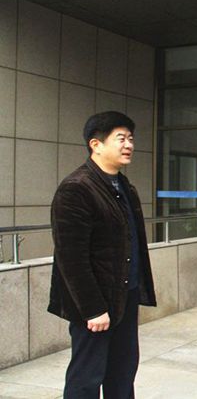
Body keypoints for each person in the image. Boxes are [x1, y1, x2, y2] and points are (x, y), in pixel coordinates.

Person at [48, 111, 157, 399]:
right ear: (96, 144)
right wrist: (93, 309)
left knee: (122, 373)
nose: (129, 145)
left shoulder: (124, 187)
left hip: (125, 295)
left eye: (131, 138)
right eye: (120, 138)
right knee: (86, 378)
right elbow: (71, 258)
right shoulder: (76, 189)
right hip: (94, 305)